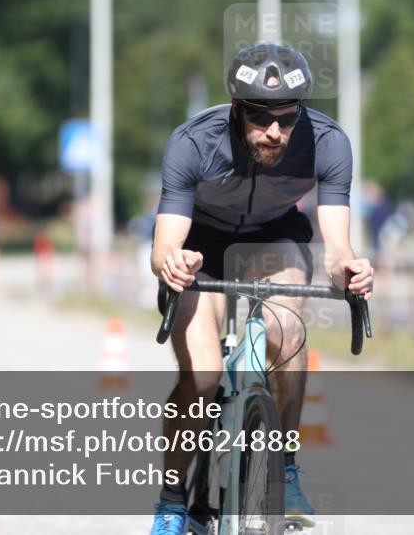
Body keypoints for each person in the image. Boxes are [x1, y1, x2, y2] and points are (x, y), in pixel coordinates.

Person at [148, 43, 374, 535]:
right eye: (259, 117)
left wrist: (350, 269)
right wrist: (173, 260)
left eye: (287, 118)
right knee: (203, 380)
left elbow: (335, 246)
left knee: (285, 330)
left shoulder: (328, 142)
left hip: (275, 238)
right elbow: (164, 243)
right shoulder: (193, 143)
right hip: (200, 246)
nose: (275, 131)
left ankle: (286, 467)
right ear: (236, 109)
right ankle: (171, 502)